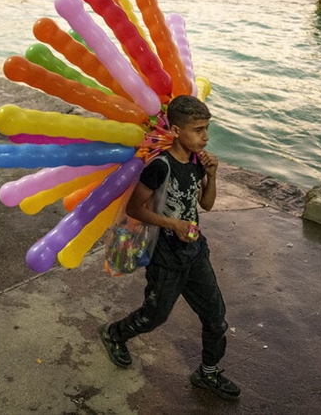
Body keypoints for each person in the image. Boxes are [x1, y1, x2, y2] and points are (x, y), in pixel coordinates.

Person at [99, 95, 241, 401]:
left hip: (195, 253)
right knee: (154, 316)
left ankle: (209, 371)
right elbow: (136, 209)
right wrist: (174, 225)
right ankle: (113, 334)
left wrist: (212, 176)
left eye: (207, 129)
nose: (205, 137)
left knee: (216, 316)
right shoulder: (159, 167)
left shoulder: (195, 162)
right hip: (166, 257)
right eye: (198, 130)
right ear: (176, 130)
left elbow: (206, 203)